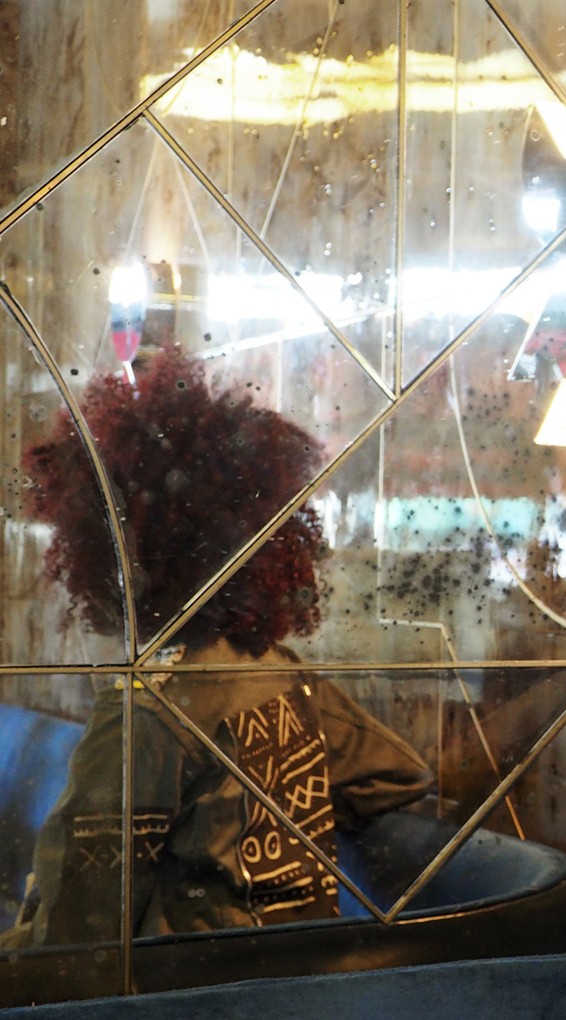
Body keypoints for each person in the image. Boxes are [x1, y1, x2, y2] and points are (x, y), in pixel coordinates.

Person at [5, 347, 434, 945]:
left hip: (189, 984)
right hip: (302, 967)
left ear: (113, 557)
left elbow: (75, 929)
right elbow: (400, 776)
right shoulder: (282, 674)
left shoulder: (147, 715)